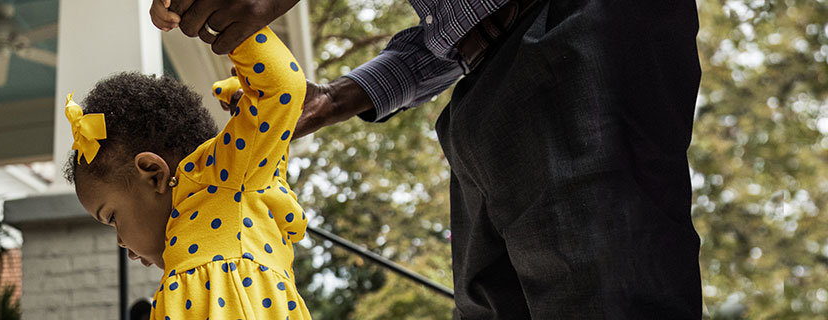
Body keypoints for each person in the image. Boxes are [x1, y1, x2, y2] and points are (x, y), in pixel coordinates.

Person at [151, 0, 704, 318]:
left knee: (606, 299)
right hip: (482, 79)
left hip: (574, 26)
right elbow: (454, 23)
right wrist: (337, 99)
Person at [64, 27, 313, 319]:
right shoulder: (172, 288)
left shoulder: (231, 179)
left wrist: (228, 18)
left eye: (112, 217)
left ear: (153, 174)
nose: (121, 242)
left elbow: (282, 88)